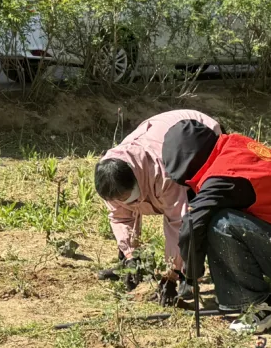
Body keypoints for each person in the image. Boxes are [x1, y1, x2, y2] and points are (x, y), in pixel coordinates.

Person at [162, 120, 271, 334]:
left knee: (220, 222)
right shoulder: (236, 147)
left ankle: (260, 307)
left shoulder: (224, 176)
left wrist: (190, 276)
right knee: (219, 218)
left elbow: (193, 224)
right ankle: (251, 298)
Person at [94, 110, 222, 291]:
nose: (123, 203)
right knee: (128, 243)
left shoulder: (164, 175)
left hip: (201, 138)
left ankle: (189, 276)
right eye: (117, 199)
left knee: (197, 213)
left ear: (137, 181)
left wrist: (171, 274)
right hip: (159, 132)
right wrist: (131, 256)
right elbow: (120, 217)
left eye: (125, 198)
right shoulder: (110, 179)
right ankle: (128, 266)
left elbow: (177, 222)